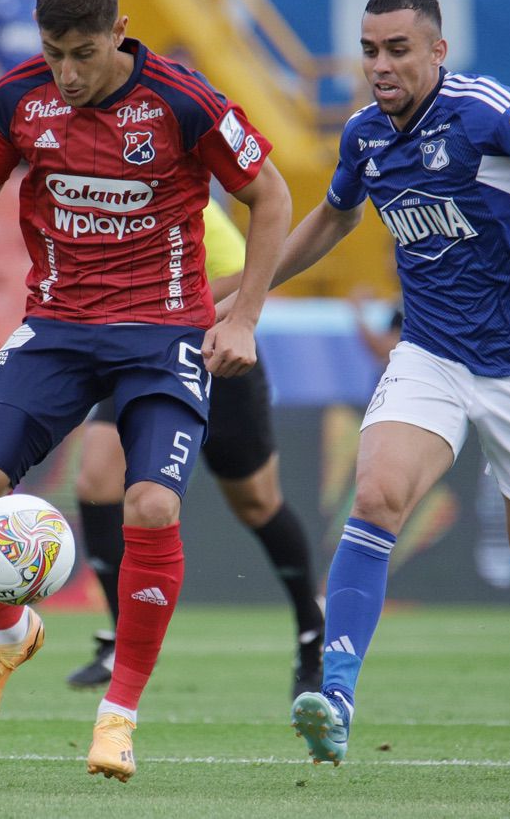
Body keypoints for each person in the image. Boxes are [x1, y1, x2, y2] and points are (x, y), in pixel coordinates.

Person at [0, 0, 291, 783]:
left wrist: (246, 315)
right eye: (54, 54)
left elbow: (274, 197)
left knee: (150, 501)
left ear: (119, 33)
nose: (69, 73)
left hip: (163, 331)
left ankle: (117, 715)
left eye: (83, 52)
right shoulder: (18, 98)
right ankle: (11, 635)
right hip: (58, 324)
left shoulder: (185, 103)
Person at [218, 0, 510, 766]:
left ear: (438, 50)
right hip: (432, 353)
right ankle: (335, 695)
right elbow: (333, 217)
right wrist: (242, 294)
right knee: (376, 493)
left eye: (398, 49)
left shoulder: (485, 112)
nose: (380, 65)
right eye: (369, 50)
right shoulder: (366, 134)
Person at [67, 198, 324, 699]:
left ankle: (311, 629)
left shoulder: (186, 198)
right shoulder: (92, 195)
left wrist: (164, 309)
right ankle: (124, 635)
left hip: (214, 357)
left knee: (256, 503)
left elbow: (247, 272)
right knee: (96, 482)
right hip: (140, 361)